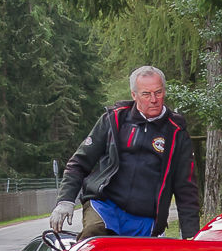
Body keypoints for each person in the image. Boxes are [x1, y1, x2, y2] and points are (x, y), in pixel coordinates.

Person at [50, 66, 201, 240]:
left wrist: (191, 237)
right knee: (94, 237)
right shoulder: (114, 120)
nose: (154, 100)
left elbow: (186, 188)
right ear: (134, 95)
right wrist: (65, 201)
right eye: (146, 94)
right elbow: (79, 163)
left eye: (158, 92)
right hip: (105, 207)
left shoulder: (176, 132)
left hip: (146, 219)